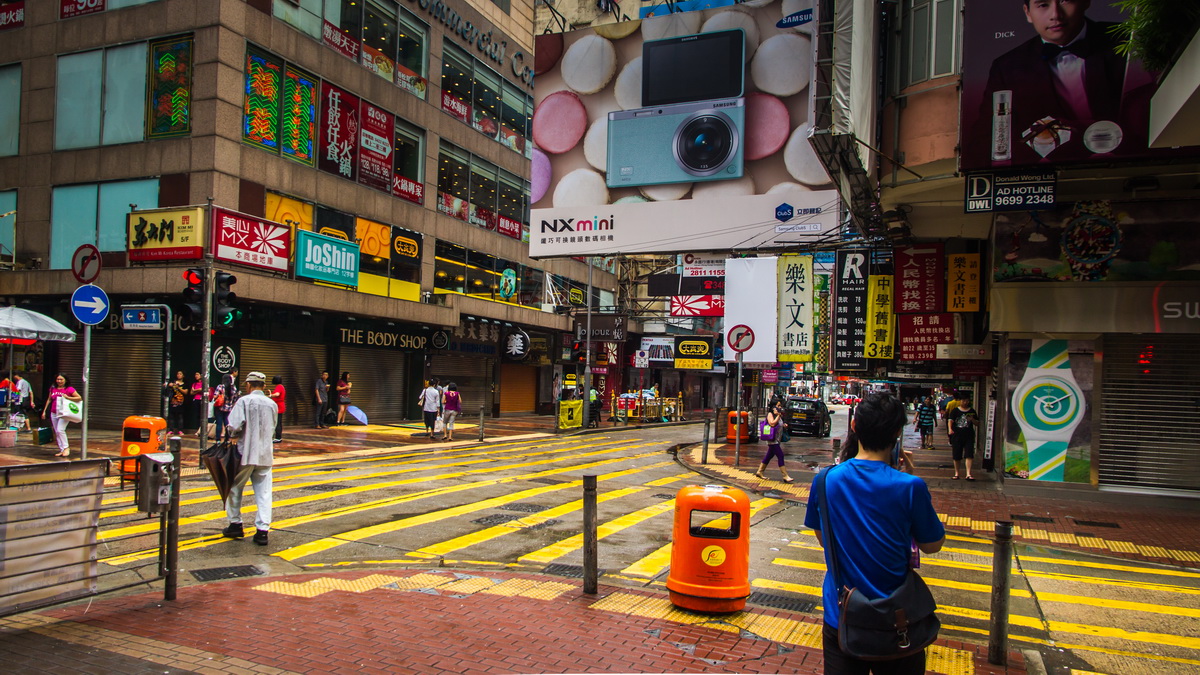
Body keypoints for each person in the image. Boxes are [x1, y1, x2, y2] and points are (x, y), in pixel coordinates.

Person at [804, 393, 946, 674]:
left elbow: (824, 541)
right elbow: (932, 544)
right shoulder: (910, 487)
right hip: (898, 619)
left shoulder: (825, 481)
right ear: (897, 433)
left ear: (854, 427)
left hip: (842, 615)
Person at [970, 0, 1143, 166]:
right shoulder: (1007, 66)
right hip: (1051, 174)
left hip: (1130, 162)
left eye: (1065, 1)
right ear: (1028, 13)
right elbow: (985, 138)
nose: (1055, 15)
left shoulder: (1128, 40)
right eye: (1043, 5)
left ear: (1086, 2)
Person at [222, 371, 278, 546]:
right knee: (264, 493)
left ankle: (235, 524)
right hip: (265, 454)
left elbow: (234, 425)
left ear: (248, 385)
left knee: (234, 487)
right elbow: (274, 427)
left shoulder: (244, 401)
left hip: (245, 453)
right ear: (263, 386)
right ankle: (262, 531)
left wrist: (233, 434)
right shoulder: (271, 404)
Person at [43, 373, 82, 458]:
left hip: (64, 413)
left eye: (61, 379)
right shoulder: (53, 388)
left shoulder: (69, 389)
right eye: (58, 379)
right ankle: (62, 449)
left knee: (60, 430)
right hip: (54, 412)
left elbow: (79, 398)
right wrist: (44, 411)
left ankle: (66, 447)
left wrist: (68, 397)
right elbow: (49, 399)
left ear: (65, 380)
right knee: (57, 431)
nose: (59, 381)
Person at [755, 398, 793, 483]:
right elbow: (772, 424)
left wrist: (784, 425)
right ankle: (785, 476)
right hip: (772, 440)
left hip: (777, 440)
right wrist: (779, 415)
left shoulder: (778, 415)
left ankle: (760, 471)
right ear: (773, 407)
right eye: (778, 405)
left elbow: (779, 425)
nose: (780, 407)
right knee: (780, 455)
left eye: (780, 405)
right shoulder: (770, 414)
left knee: (769, 456)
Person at [947, 393, 981, 481]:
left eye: (966, 400)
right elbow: (950, 421)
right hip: (957, 436)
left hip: (969, 436)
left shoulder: (972, 411)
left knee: (969, 454)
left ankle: (968, 474)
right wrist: (950, 429)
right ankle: (956, 473)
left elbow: (977, 423)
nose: (964, 402)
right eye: (963, 400)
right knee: (956, 455)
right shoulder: (955, 411)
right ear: (960, 401)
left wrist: (972, 419)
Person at [215, 369, 239, 438]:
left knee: (219, 423)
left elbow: (215, 396)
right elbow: (235, 398)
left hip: (219, 407)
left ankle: (218, 440)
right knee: (227, 423)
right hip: (229, 408)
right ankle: (228, 438)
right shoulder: (233, 388)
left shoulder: (220, 386)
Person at [164, 370, 188, 435]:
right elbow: (166, 388)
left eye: (180, 374)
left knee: (180, 416)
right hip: (173, 401)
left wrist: (178, 388)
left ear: (183, 375)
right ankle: (171, 430)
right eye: (178, 374)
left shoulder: (185, 384)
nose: (179, 375)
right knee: (171, 416)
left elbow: (186, 392)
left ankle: (180, 430)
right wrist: (169, 385)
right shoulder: (173, 382)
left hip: (181, 402)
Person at [270, 375, 287, 443]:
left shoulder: (279, 387)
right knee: (278, 421)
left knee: (277, 422)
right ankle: (278, 436)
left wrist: (270, 395)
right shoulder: (281, 386)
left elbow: (277, 394)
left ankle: (278, 437)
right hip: (279, 405)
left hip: (279, 406)